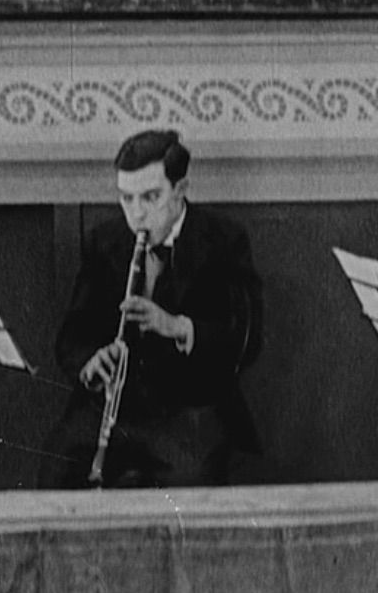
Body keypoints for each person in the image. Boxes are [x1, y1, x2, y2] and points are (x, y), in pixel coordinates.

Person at [38, 130, 262, 488]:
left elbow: (246, 340)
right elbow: (71, 337)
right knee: (57, 472)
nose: (137, 214)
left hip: (193, 411)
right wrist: (91, 361)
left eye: (150, 197)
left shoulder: (224, 239)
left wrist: (176, 326)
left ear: (180, 190)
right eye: (126, 199)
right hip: (117, 409)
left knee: (188, 483)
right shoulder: (105, 240)